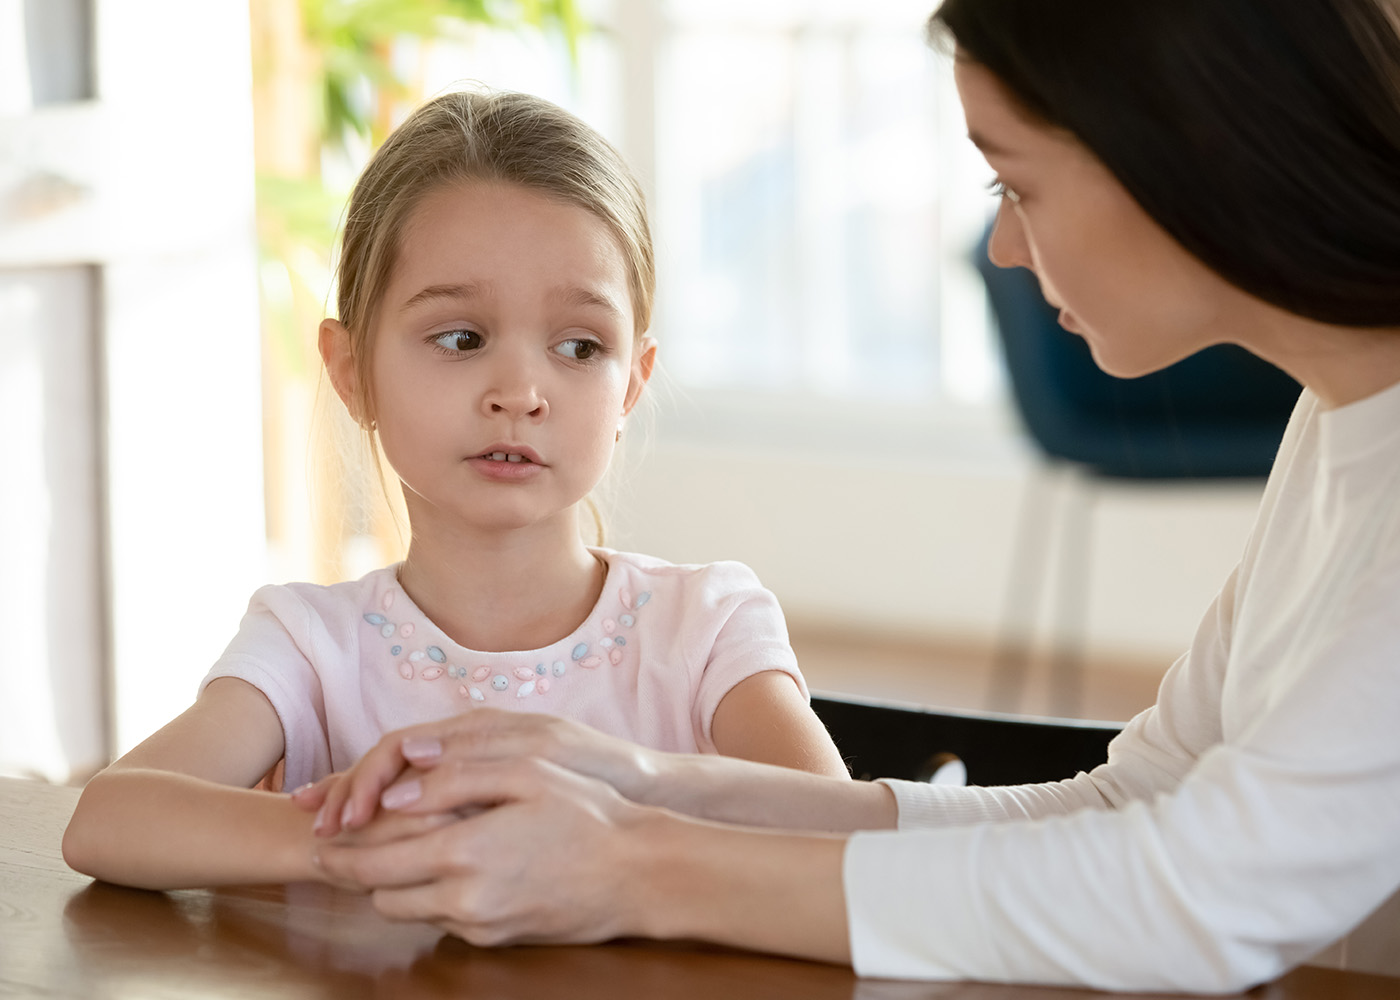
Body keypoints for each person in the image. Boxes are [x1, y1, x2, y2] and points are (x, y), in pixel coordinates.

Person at [293, 0, 1400, 992]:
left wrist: (636, 867)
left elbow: (1199, 896)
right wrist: (653, 783)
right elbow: (1135, 801)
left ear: (1184, 155)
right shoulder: (1339, 419)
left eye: (1014, 182)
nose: (1004, 249)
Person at [61, 90, 849, 891]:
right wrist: (360, 843)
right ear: (351, 371)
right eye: (462, 338)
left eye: (580, 346)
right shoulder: (310, 646)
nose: (520, 391)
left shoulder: (707, 629)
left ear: (631, 389)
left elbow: (848, 839)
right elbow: (108, 821)